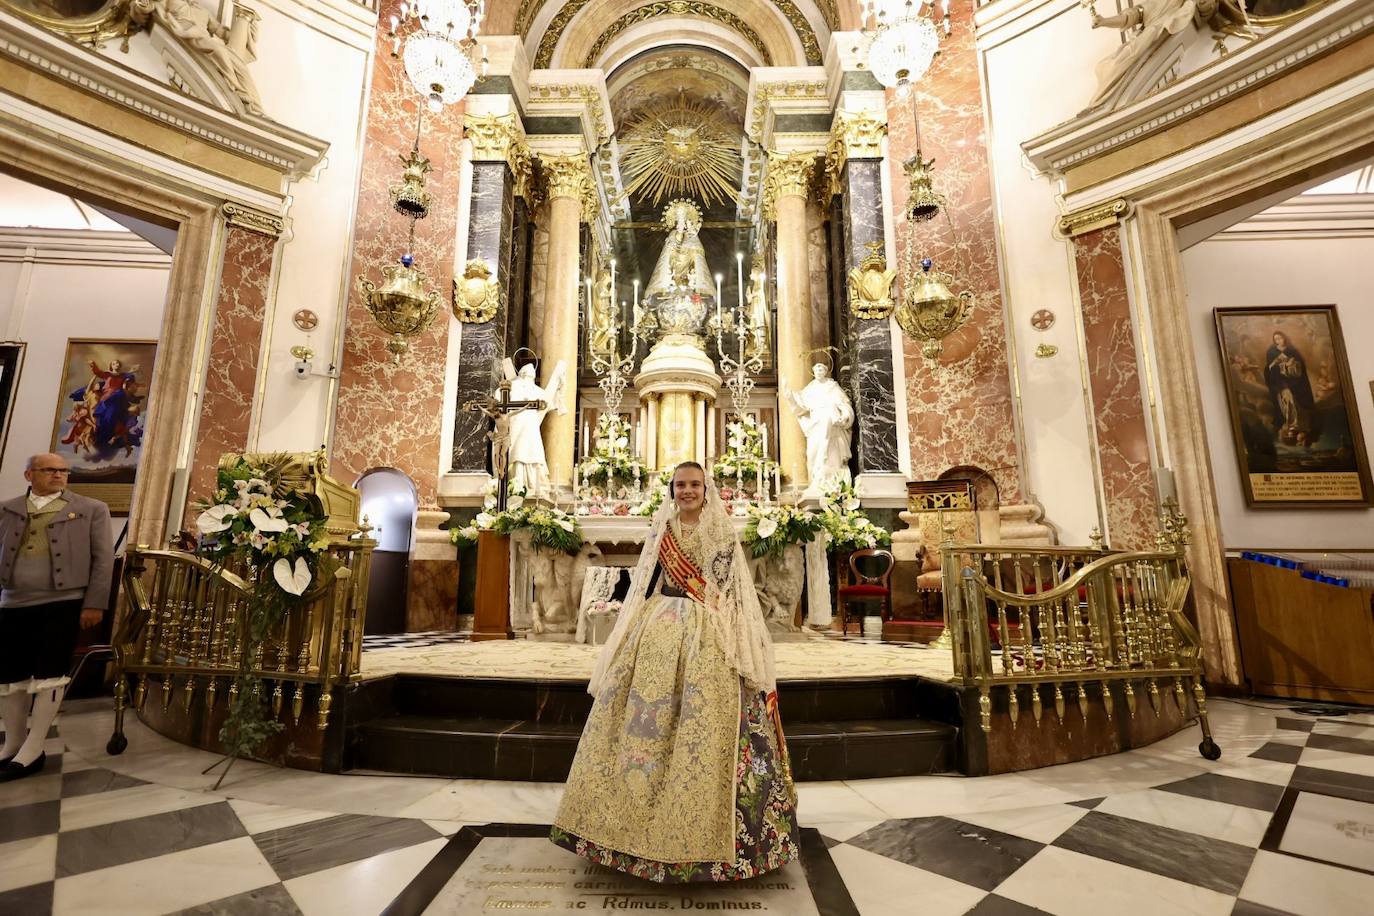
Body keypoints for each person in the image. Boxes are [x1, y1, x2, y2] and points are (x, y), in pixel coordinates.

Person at [551, 462, 798, 882]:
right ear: (672, 489)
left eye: (694, 485)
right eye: (681, 485)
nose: (687, 491)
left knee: (701, 724)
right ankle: (622, 828)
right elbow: (647, 580)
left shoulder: (720, 530)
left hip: (708, 630)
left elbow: (730, 588)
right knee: (646, 723)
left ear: (707, 489)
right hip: (658, 627)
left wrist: (727, 627)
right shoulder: (661, 528)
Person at [0, 453, 113, 782]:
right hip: (13, 601)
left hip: (63, 601)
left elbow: (103, 560)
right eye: (50, 470)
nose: (59, 475)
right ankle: (13, 744)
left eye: (63, 470)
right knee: (10, 675)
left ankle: (34, 748)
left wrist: (95, 603)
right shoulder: (7, 509)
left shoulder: (91, 509)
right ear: (29, 474)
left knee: (50, 672)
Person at [784, 362, 855, 490]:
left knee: (830, 454)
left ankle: (832, 484)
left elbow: (844, 404)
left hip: (832, 423)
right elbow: (800, 406)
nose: (819, 371)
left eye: (821, 369)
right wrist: (788, 394)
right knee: (813, 453)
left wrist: (844, 415)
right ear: (813, 372)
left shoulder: (832, 386)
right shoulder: (810, 389)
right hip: (816, 424)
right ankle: (817, 482)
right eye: (817, 369)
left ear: (826, 371)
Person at [1264, 330, 1317, 448]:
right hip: (1280, 383)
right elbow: (1269, 368)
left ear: (1285, 338)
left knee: (1299, 401)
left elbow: (1301, 367)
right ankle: (1292, 426)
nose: (1278, 341)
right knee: (1288, 400)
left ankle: (1301, 427)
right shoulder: (1271, 352)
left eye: (1280, 338)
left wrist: (1293, 363)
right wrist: (1280, 364)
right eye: (1276, 339)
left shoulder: (1292, 351)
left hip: (1296, 382)